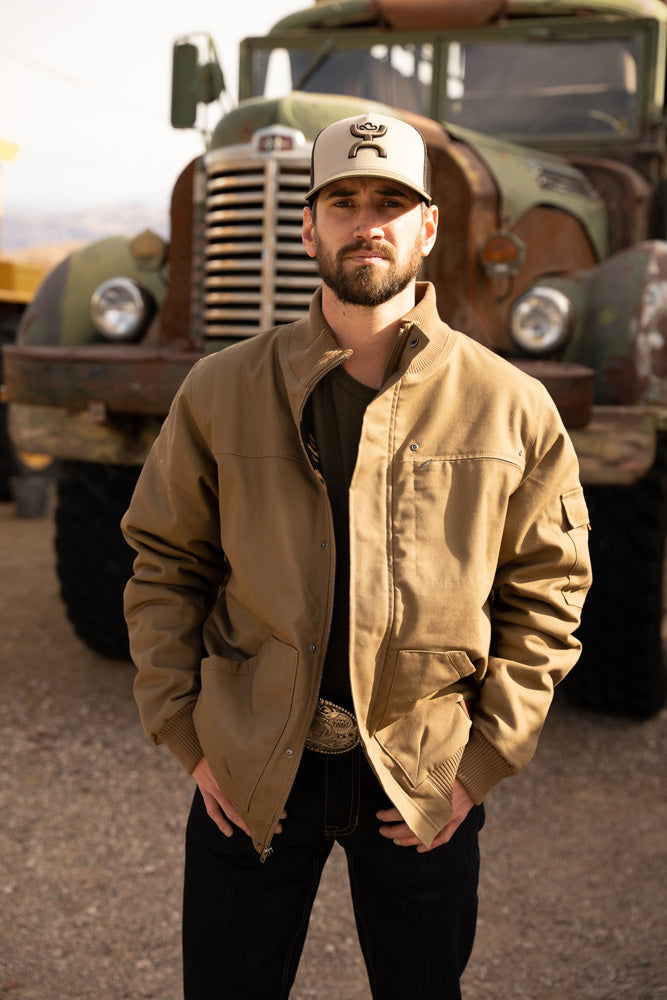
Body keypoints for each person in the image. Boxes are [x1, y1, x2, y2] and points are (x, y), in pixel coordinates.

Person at [121, 112, 592, 1000]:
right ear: (308, 227)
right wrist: (186, 736)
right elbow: (163, 563)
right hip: (252, 769)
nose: (365, 220)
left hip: (419, 776)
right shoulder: (220, 390)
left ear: (428, 227)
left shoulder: (510, 405)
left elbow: (549, 591)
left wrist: (480, 762)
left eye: (390, 201)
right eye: (342, 201)